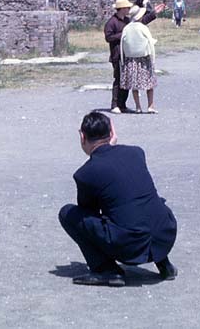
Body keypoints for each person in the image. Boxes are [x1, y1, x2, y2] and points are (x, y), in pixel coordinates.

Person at [59, 112, 178, 286]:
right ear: (112, 132)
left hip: (130, 248)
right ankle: (163, 264)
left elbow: (88, 212)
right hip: (165, 236)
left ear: (82, 136)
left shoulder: (86, 173)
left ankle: (106, 270)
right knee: (146, 203)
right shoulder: (136, 153)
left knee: (68, 214)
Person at [104, 0, 164, 113]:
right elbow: (108, 37)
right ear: (121, 9)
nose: (128, 9)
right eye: (127, 8)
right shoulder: (111, 22)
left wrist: (153, 14)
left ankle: (122, 104)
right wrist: (123, 34)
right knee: (118, 80)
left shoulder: (127, 21)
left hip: (127, 55)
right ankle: (115, 104)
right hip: (117, 54)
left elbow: (140, 22)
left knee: (126, 79)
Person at [121, 5, 158, 113]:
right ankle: (150, 105)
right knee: (149, 83)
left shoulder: (127, 28)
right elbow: (149, 41)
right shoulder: (143, 27)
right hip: (144, 59)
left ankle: (138, 106)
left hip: (131, 59)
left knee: (134, 84)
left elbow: (123, 42)